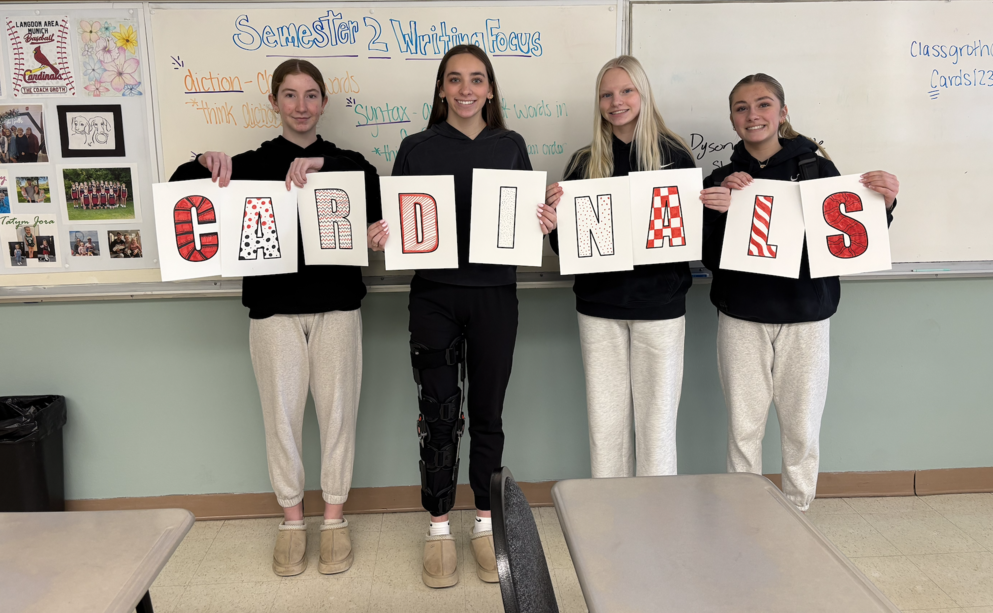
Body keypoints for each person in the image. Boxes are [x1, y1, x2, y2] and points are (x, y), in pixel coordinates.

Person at [175, 58, 382, 579]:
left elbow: (376, 191)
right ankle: (292, 521)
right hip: (272, 313)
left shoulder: (346, 161)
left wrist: (323, 168)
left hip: (337, 306)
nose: (301, 106)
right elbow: (181, 186)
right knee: (281, 421)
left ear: (324, 103)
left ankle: (333, 519)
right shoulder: (250, 163)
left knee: (339, 417)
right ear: (273, 103)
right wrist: (204, 158)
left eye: (311, 95)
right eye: (289, 95)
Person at [366, 44, 556, 588]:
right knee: (440, 413)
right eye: (455, 80)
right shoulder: (417, 148)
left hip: (496, 293)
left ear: (490, 89)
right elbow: (398, 222)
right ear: (442, 90)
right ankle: (438, 526)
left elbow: (522, 222)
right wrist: (383, 235)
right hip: (434, 297)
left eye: (477, 80)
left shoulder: (511, 145)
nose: (466, 89)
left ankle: (484, 522)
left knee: (489, 413)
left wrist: (542, 221)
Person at [699, 73, 899, 511]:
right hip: (741, 316)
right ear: (732, 119)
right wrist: (721, 214)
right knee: (743, 424)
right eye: (741, 108)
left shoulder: (816, 168)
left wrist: (884, 205)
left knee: (801, 425)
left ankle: (799, 508)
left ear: (783, 112)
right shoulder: (723, 177)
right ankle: (743, 508)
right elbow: (710, 257)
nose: (753, 115)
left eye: (764, 104)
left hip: (806, 317)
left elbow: (847, 242)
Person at [545, 56, 696, 479]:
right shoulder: (583, 163)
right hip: (599, 308)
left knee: (657, 423)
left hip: (660, 307)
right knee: (606, 423)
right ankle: (609, 513)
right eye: (607, 94)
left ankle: (656, 512)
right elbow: (566, 247)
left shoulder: (675, 157)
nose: (617, 102)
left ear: (643, 93)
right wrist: (554, 224)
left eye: (626, 91)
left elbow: (687, 235)